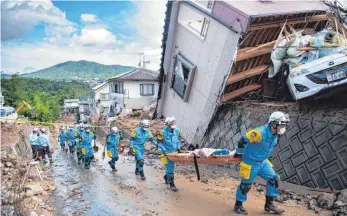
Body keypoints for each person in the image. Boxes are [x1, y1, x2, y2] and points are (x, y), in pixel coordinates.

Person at [233, 111, 290, 215]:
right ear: (273, 124)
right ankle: (238, 205)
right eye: (281, 125)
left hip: (262, 162)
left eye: (284, 125)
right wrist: (239, 153)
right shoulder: (259, 133)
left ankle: (269, 205)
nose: (283, 127)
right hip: (250, 162)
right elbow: (242, 140)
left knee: (273, 179)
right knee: (246, 185)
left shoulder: (275, 134)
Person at [157, 116, 181, 192]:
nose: (172, 127)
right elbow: (159, 143)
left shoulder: (177, 131)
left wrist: (178, 148)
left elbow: (178, 141)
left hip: (174, 153)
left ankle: (166, 177)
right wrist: (164, 150)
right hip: (166, 154)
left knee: (171, 168)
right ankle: (172, 185)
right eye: (171, 125)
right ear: (167, 125)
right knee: (170, 170)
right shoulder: (163, 133)